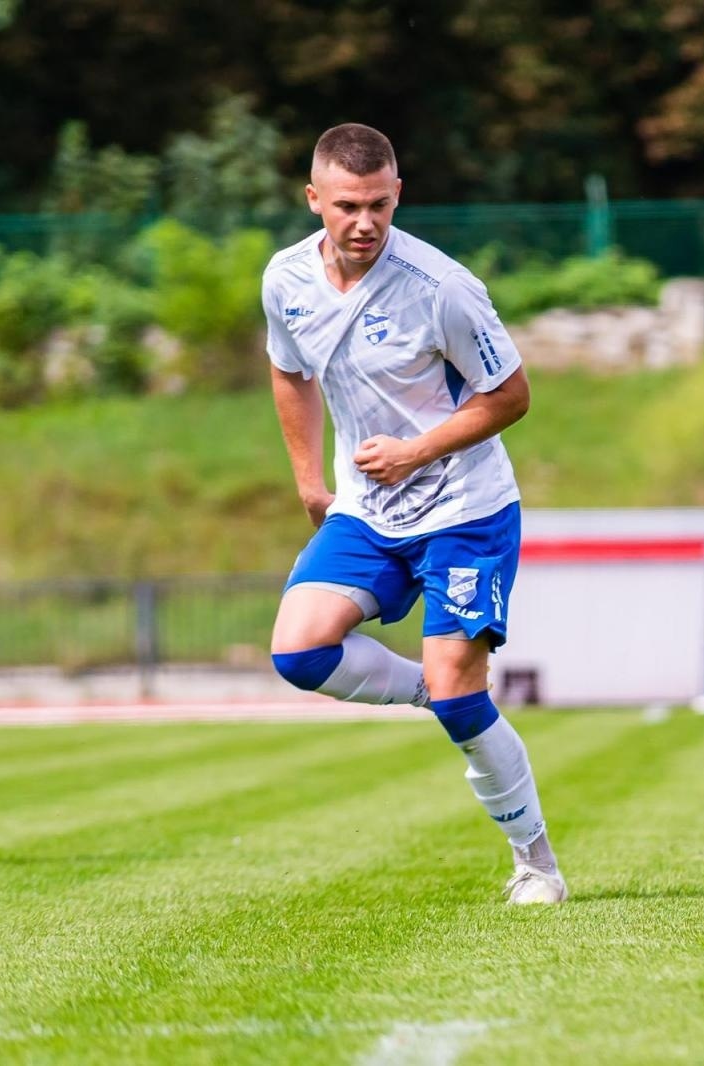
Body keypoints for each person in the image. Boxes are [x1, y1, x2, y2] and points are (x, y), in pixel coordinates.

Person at [262, 123, 565, 905]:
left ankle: (536, 865)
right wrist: (307, 477)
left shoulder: (443, 287)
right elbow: (288, 371)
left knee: (467, 705)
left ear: (399, 195)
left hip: (465, 508)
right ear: (314, 201)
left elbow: (513, 395)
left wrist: (416, 451)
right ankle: (432, 687)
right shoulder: (286, 278)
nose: (364, 223)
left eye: (379, 205)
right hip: (367, 509)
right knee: (299, 653)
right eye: (346, 206)